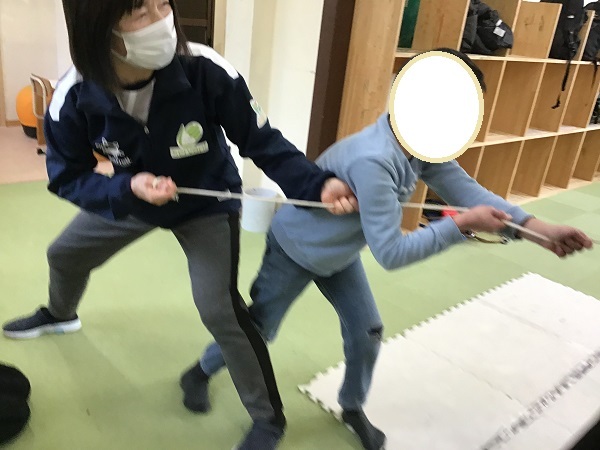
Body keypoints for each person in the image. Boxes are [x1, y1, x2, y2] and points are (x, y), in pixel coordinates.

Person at [181, 49, 595, 450]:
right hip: (296, 249)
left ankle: (351, 405)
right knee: (259, 329)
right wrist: (461, 225)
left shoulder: (423, 149)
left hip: (339, 255)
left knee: (367, 332)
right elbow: (391, 253)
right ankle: (199, 372)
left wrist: (538, 230)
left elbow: (469, 191)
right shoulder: (375, 160)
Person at [1, 1, 359, 448]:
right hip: (134, 199)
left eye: (162, 4)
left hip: (206, 203)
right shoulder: (72, 95)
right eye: (141, 13)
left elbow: (261, 140)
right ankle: (60, 314)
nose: (162, 20)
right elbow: (66, 176)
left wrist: (318, 184)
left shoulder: (205, 69)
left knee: (219, 308)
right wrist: (127, 187)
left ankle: (269, 419)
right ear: (100, 30)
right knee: (63, 253)